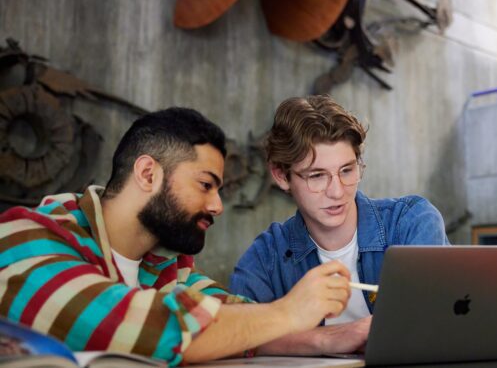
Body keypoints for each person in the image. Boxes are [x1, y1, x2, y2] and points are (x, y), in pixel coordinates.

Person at [0, 108, 352, 366]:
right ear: (148, 173)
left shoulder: (165, 269)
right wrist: (290, 312)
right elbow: (134, 327)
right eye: (205, 185)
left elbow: (240, 321)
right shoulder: (25, 238)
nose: (217, 205)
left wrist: (331, 337)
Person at [229, 95, 449, 355]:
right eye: (317, 176)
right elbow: (236, 338)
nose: (337, 192)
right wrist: (327, 338)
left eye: (347, 170)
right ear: (281, 175)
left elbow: (439, 325)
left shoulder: (412, 221)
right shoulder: (267, 256)